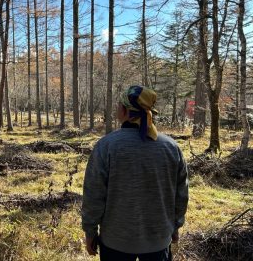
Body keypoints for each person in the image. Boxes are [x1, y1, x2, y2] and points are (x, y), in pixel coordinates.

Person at [81, 85, 189, 261]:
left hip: (115, 242)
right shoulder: (171, 148)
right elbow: (181, 194)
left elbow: (93, 194)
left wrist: (90, 231)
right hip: (159, 240)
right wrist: (176, 226)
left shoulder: (106, 146)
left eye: (118, 105)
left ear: (124, 110)